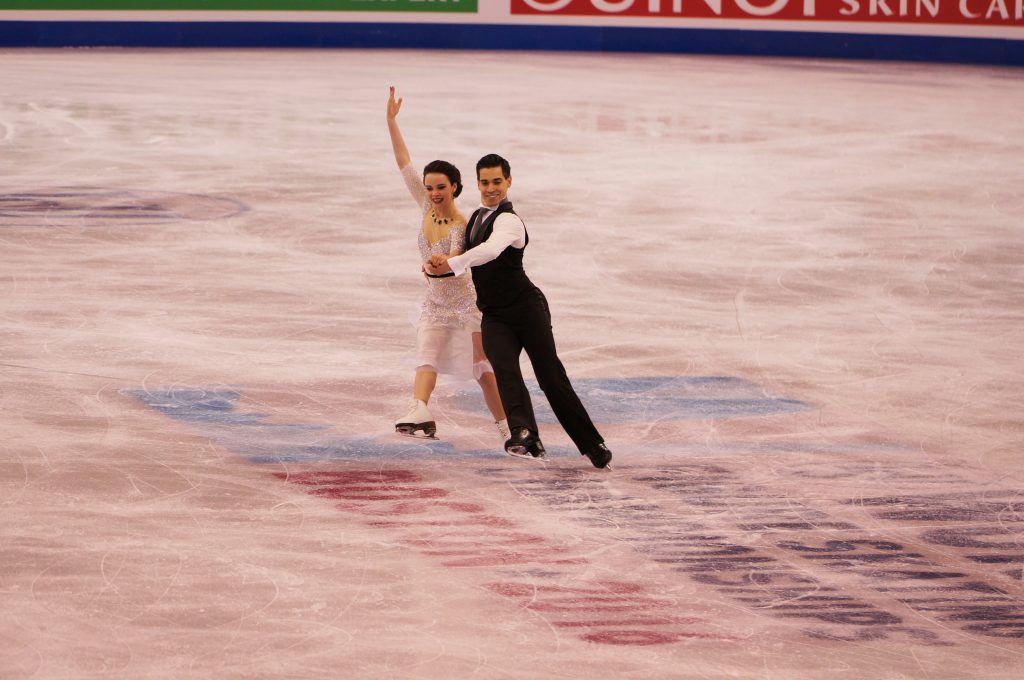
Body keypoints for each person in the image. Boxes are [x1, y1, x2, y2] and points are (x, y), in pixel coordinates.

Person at [425, 154, 612, 469]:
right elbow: (463, 249)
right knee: (505, 371)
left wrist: (452, 265)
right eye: (485, 182)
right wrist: (439, 263)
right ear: (477, 184)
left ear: (508, 181)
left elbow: (490, 250)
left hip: (527, 310)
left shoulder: (509, 221)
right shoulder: (475, 219)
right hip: (495, 315)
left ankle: (592, 443)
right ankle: (526, 435)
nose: (491, 188)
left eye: (497, 181)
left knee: (550, 378)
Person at [386, 87, 508, 441]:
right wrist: (391, 121)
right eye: (429, 187)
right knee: (426, 355)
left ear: (455, 187)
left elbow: (458, 256)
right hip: (435, 304)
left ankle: (507, 426)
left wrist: (444, 261)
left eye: (441, 187)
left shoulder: (462, 224)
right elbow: (403, 162)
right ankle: (419, 409)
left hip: (464, 305)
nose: (434, 193)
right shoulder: (425, 207)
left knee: (481, 370)